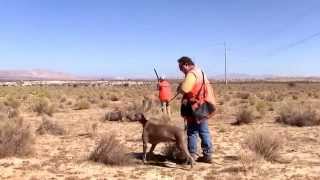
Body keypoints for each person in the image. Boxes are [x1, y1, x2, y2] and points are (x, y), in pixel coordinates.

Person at [176, 56, 217, 163]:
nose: (180, 70)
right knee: (203, 131)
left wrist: (179, 88)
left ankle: (192, 155)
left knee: (193, 131)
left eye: (181, 67)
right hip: (202, 106)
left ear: (186, 64)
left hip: (195, 107)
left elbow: (185, 89)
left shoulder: (192, 74)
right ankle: (207, 155)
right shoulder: (200, 71)